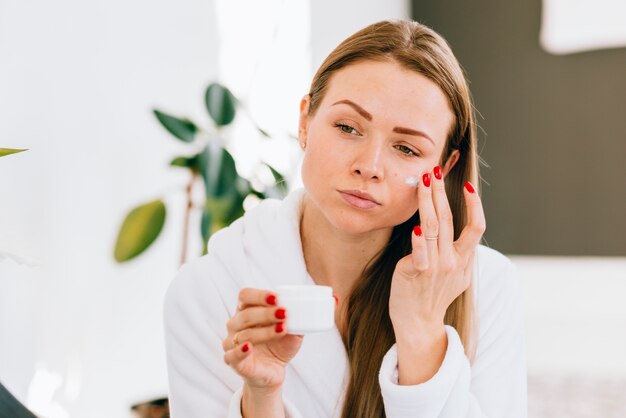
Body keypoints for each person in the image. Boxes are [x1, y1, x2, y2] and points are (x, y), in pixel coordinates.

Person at [163, 19, 527, 418]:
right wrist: (262, 397)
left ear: (446, 164)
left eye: (406, 149)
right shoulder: (208, 291)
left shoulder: (485, 289)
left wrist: (422, 334)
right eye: (348, 127)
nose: (369, 166)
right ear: (305, 121)